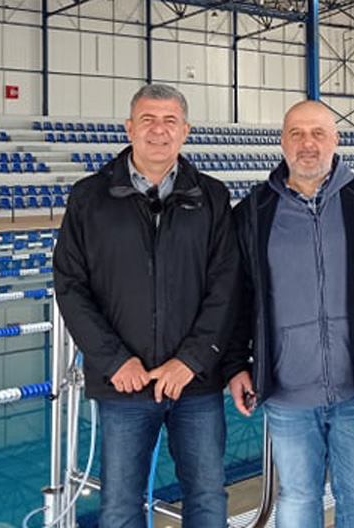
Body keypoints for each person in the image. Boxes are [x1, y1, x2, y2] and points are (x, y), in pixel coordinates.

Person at [53, 84, 239, 527]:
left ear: (186, 131)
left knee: (207, 498)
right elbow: (70, 285)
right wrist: (115, 361)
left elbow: (227, 286)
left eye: (170, 121)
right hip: (124, 384)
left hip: (195, 383)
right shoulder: (90, 197)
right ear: (129, 128)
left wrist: (190, 361)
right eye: (148, 120)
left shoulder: (211, 197)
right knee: (120, 505)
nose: (159, 130)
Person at [224, 100, 354, 528]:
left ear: (336, 139)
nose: (307, 143)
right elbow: (238, 297)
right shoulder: (255, 212)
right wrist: (236, 364)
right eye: (296, 133)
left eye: (318, 133)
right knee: (298, 498)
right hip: (287, 391)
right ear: (282, 142)